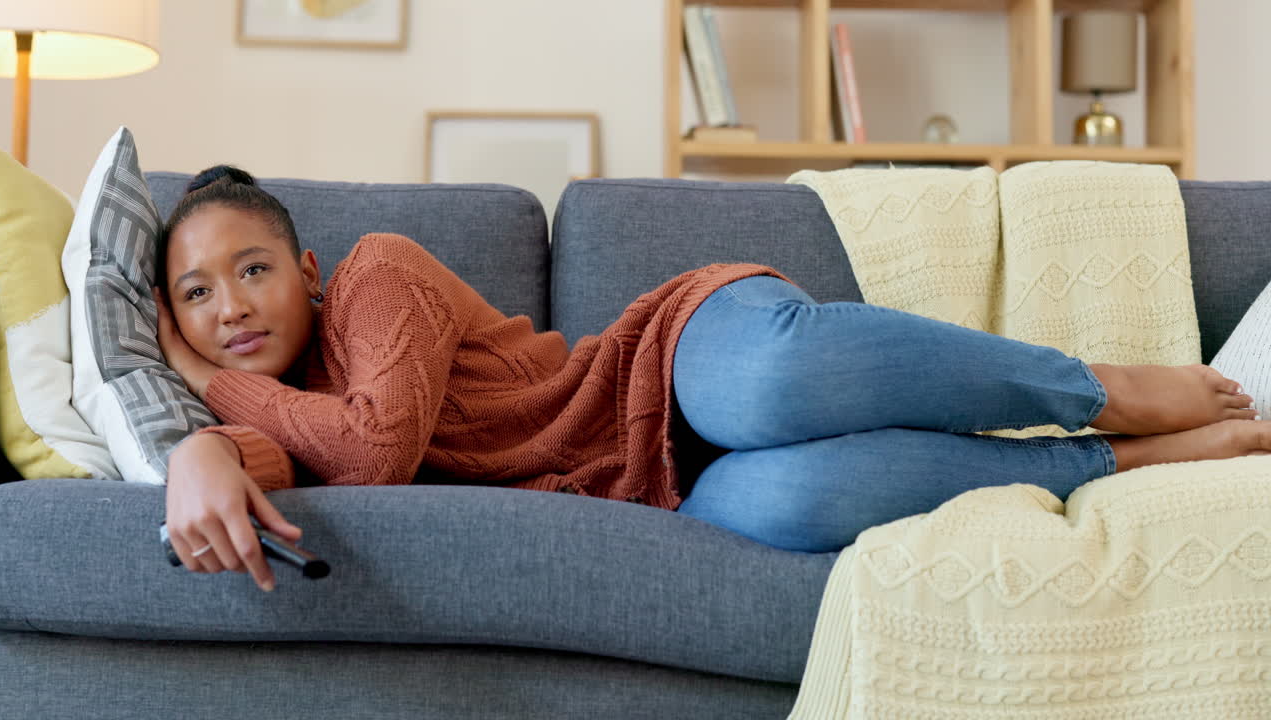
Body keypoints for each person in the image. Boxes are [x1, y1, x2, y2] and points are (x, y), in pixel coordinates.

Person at [157, 165, 1266, 593]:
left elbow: (377, 445)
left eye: (250, 270)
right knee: (788, 506)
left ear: (302, 269)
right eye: (196, 297)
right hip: (659, 486)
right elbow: (276, 462)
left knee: (768, 387)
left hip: (667, 364)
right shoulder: (273, 411)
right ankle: (1111, 459)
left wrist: (195, 379)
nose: (231, 307)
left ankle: (1085, 388)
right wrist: (195, 444)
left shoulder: (374, 275)